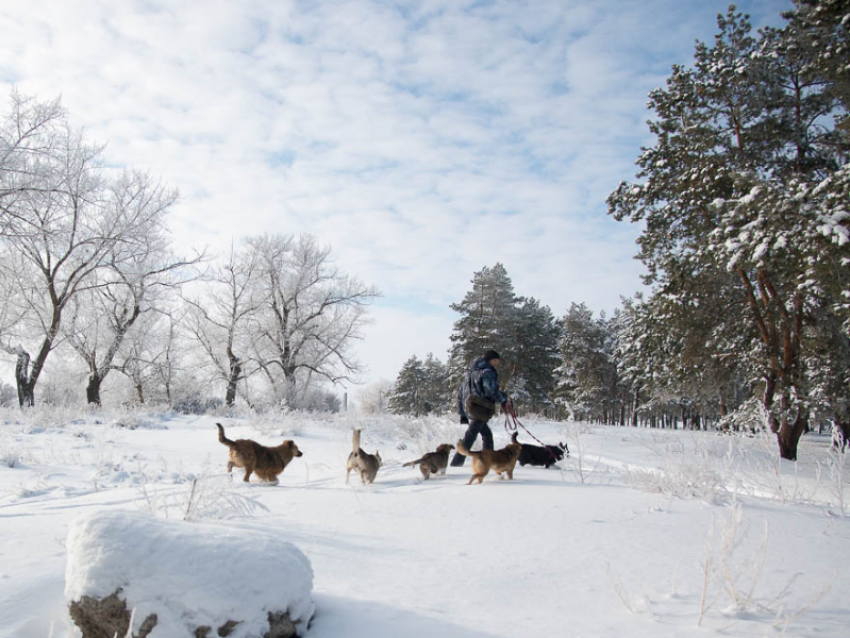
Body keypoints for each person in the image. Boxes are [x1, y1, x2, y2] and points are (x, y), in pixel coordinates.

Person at [450, 349, 510, 467]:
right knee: (470, 437)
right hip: (481, 409)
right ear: (488, 360)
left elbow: (461, 393)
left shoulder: (470, 373)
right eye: (495, 360)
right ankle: (456, 464)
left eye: (497, 360)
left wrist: (462, 412)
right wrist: (504, 398)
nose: (497, 363)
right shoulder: (487, 372)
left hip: (470, 407)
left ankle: (488, 461)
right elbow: (491, 391)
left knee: (486, 435)